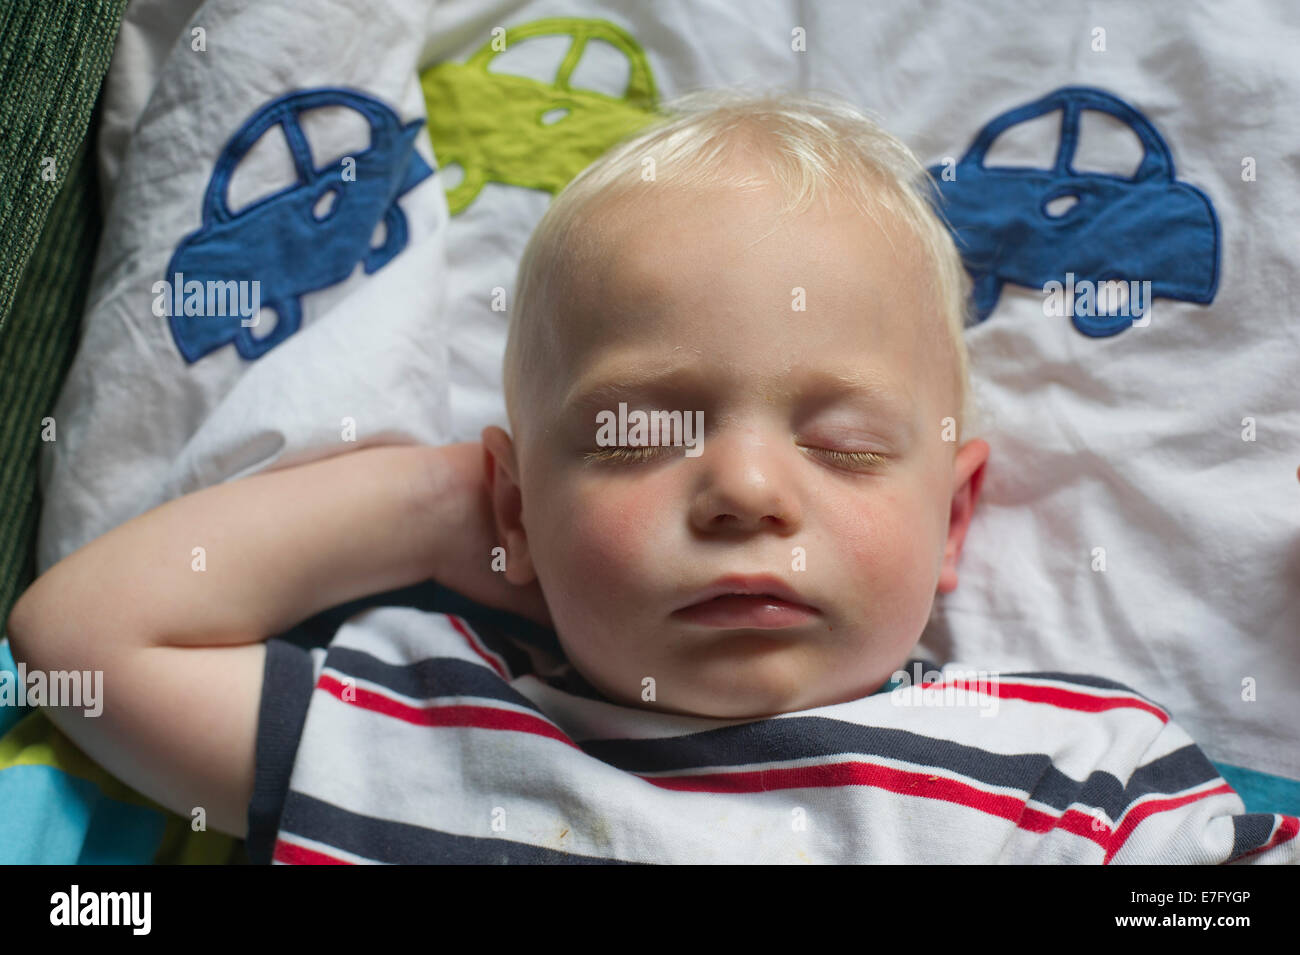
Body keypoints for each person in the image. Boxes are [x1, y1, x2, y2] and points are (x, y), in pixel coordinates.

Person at [9, 89, 1296, 863]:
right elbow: (77, 641)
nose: (744, 487)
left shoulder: (1068, 771)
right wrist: (431, 503)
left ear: (951, 516)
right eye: (635, 433)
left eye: (841, 441)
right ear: (517, 503)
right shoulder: (421, 726)